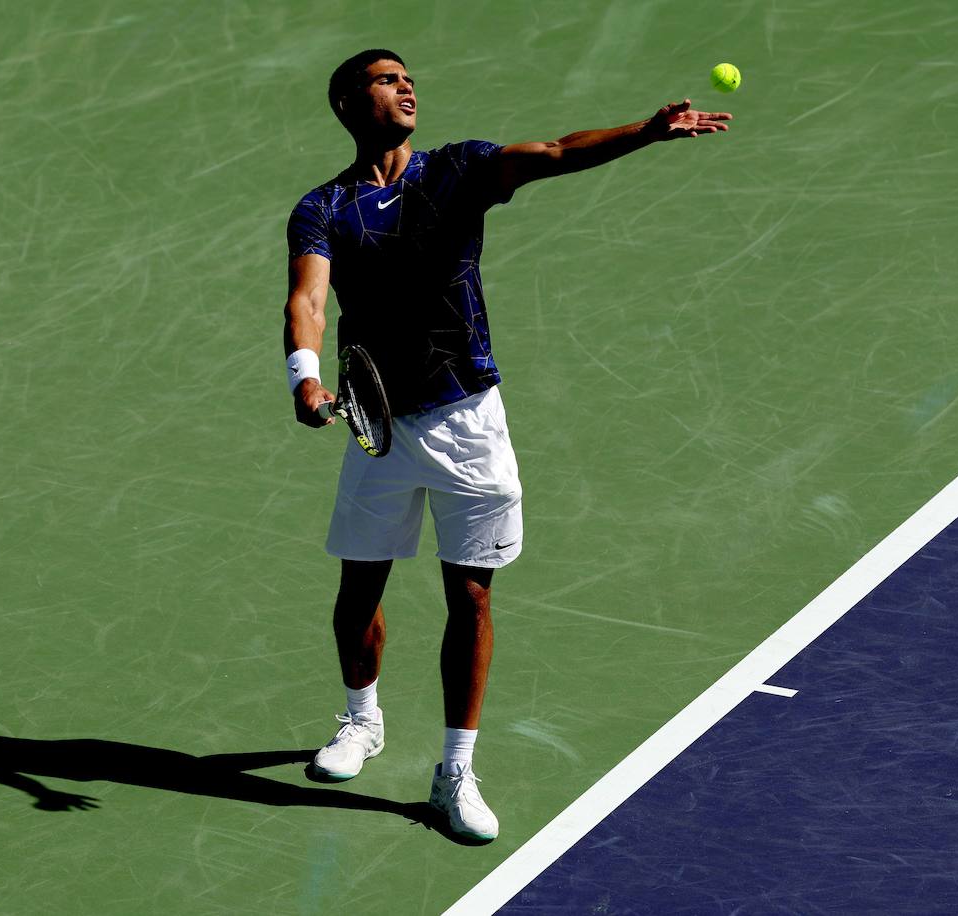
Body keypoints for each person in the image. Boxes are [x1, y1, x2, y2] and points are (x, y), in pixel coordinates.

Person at [282, 49, 731, 841]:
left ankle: (455, 770)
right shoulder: (324, 207)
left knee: (474, 597)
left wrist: (646, 133)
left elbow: (555, 153)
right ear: (351, 105)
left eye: (408, 76)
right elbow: (309, 299)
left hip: (467, 421)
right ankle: (362, 721)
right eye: (387, 80)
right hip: (378, 427)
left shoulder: (456, 171)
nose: (407, 85)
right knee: (358, 597)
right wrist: (305, 378)